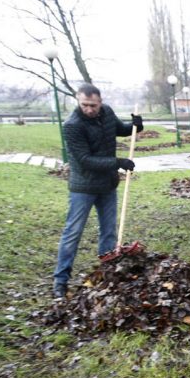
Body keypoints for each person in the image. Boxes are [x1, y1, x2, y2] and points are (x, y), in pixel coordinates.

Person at [52, 83, 143, 298]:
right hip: (83, 188)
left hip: (107, 185)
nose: (89, 109)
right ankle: (60, 281)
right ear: (78, 101)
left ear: (100, 102)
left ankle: (108, 274)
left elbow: (120, 130)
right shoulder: (72, 125)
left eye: (93, 105)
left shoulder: (107, 112)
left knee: (109, 232)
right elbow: (85, 160)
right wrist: (117, 162)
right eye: (85, 105)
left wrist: (135, 125)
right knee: (72, 233)